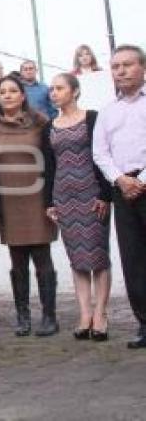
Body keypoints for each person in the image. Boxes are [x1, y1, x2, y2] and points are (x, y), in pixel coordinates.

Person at [0, 75, 58, 337]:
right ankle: (23, 317)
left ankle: (49, 317)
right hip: (8, 201)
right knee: (17, 262)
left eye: (13, 91)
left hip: (37, 200)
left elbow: (52, 161)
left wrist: (51, 200)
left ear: (23, 96)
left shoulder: (40, 122)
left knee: (42, 259)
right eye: (2, 91)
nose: (7, 95)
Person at [44, 73, 113, 341]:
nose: (54, 93)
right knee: (78, 259)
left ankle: (101, 314)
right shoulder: (49, 126)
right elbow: (48, 166)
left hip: (93, 193)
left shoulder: (92, 118)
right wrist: (49, 201)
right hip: (64, 196)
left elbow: (103, 156)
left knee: (98, 255)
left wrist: (106, 195)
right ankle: (84, 314)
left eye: (59, 88)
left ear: (74, 91)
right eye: (51, 89)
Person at [92, 44, 146, 349]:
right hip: (123, 190)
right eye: (115, 66)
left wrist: (141, 180)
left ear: (143, 68)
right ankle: (144, 323)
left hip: (143, 183)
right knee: (133, 259)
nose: (121, 71)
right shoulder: (108, 111)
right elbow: (100, 152)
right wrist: (121, 180)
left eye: (127, 65)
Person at [71, 44, 115, 111]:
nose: (84, 57)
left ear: (91, 56)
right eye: (80, 55)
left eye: (87, 54)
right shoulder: (72, 75)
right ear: (77, 58)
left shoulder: (101, 72)